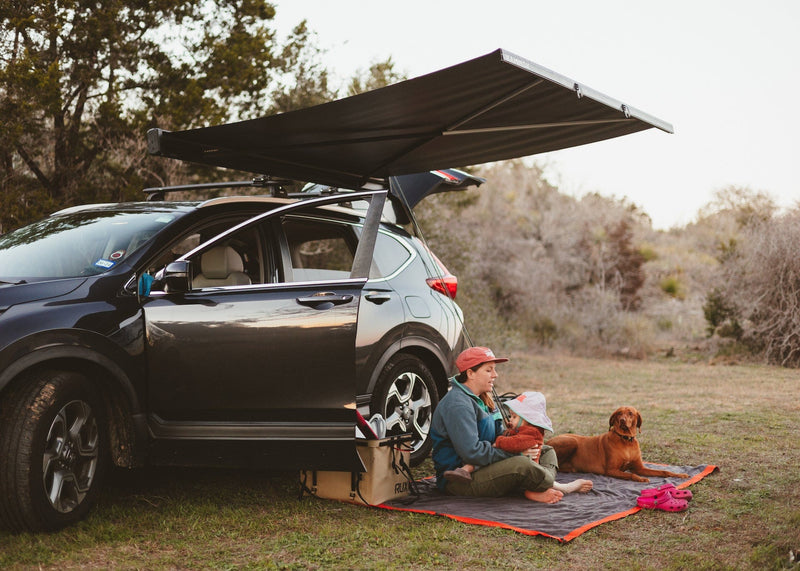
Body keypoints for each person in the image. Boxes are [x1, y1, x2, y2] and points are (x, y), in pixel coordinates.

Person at [431, 347, 591, 503]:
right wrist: (516, 453)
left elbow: (498, 435)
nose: (495, 374)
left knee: (546, 450)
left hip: (485, 464)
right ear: (470, 373)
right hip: (460, 480)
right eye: (489, 370)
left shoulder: (480, 398)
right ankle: (552, 486)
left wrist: (517, 437)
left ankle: (534, 484)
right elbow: (472, 454)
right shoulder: (458, 405)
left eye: (494, 369)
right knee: (522, 464)